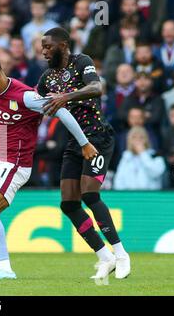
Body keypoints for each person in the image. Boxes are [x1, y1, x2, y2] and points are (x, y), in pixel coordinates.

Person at [0, 55, 97, 280]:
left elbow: (62, 112)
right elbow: (0, 100)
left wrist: (84, 144)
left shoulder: (25, 96)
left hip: (15, 165)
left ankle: (6, 269)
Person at [37, 27, 130, 282]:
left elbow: (96, 88)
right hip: (73, 142)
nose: (44, 51)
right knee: (68, 203)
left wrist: (66, 96)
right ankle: (105, 257)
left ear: (64, 45)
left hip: (97, 137)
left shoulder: (82, 62)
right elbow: (32, 103)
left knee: (90, 194)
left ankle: (121, 254)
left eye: (48, 46)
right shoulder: (46, 78)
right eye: (42, 47)